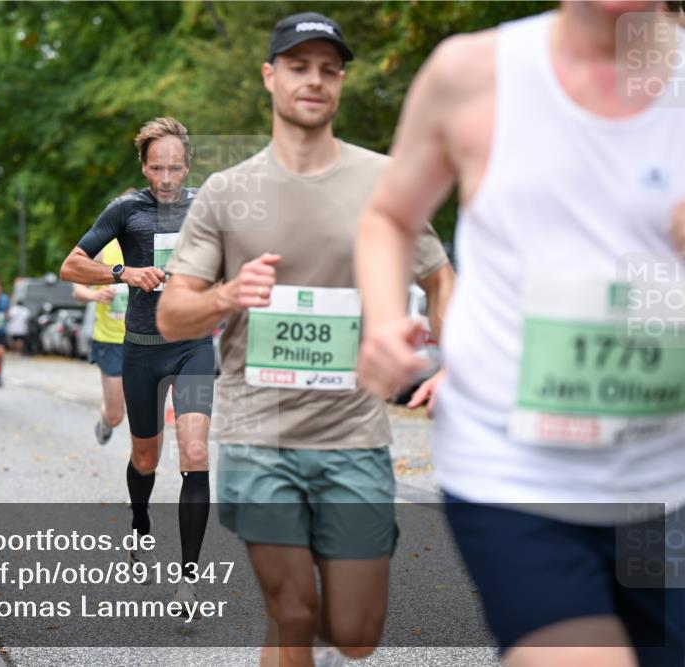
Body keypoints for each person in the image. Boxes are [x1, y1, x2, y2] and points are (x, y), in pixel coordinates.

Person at [355, 3, 684, 666]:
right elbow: (389, 217)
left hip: (665, 482)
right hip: (513, 471)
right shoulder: (472, 73)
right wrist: (385, 318)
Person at [156, 12, 453, 664]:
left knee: (355, 632)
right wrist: (227, 295)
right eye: (298, 66)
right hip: (259, 435)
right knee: (292, 611)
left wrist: (453, 361)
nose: (314, 80)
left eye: (329, 69)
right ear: (270, 76)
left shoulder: (383, 180)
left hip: (353, 436)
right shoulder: (228, 193)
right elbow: (171, 316)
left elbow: (438, 276)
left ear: (341, 81)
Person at [59, 118, 215, 608]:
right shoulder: (126, 210)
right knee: (146, 457)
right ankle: (141, 523)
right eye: (157, 168)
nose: (167, 178)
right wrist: (123, 272)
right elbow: (70, 265)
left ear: (187, 165)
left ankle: (188, 578)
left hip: (192, 345)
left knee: (195, 454)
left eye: (175, 168)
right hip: (141, 349)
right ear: (144, 167)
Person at [73, 233, 129, 445]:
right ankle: (105, 423)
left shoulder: (152, 242)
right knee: (115, 415)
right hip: (111, 341)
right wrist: (95, 295)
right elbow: (77, 290)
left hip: (145, 339)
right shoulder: (104, 248)